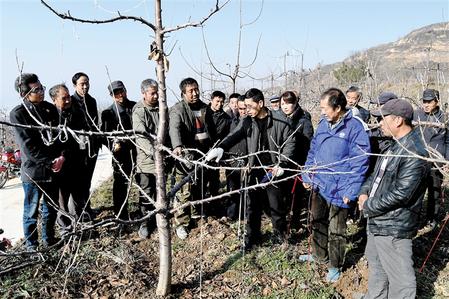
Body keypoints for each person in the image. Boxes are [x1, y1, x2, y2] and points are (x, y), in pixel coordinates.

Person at [206, 88, 295, 251]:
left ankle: (281, 236)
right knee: (252, 206)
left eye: (249, 106)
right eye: (244, 106)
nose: (246, 110)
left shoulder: (279, 120)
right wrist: (221, 148)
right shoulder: (247, 121)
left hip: (273, 169)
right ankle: (253, 239)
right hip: (254, 168)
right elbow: (235, 134)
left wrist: (282, 164)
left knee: (276, 205)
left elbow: (290, 142)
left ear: (260, 103)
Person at [358, 98, 430, 298]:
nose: (379, 123)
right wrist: (364, 192)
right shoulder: (395, 146)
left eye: (383, 119)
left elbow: (402, 194)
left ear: (398, 120)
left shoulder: (414, 152)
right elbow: (376, 175)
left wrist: (369, 205)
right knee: (377, 265)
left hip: (393, 225)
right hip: (379, 220)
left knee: (402, 281)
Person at [300, 88, 371, 282]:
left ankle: (335, 265)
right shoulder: (323, 124)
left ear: (338, 108)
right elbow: (313, 150)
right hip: (320, 183)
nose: (322, 111)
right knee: (316, 221)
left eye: (325, 108)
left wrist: (351, 190)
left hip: (341, 188)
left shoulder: (355, 128)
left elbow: (360, 162)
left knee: (336, 230)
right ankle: (318, 255)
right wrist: (307, 173)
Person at [10, 73, 64, 250]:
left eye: (42, 88)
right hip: (34, 172)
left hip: (54, 170)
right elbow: (28, 148)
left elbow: (60, 135)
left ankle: (49, 240)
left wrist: (61, 156)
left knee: (51, 209)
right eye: (36, 90)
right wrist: (50, 161)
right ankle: (32, 247)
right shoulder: (18, 114)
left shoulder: (50, 109)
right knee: (31, 212)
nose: (41, 92)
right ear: (24, 94)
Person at [169, 77, 216, 239]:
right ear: (183, 93)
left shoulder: (204, 108)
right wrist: (177, 146)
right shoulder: (178, 109)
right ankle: (181, 222)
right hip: (186, 155)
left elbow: (212, 130)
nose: (195, 93)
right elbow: (174, 129)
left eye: (196, 89)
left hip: (204, 153)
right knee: (184, 190)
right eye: (191, 91)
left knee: (200, 185)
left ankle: (196, 212)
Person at [49, 84, 90, 230]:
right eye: (63, 98)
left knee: (79, 196)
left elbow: (84, 133)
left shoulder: (77, 112)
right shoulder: (50, 116)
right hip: (60, 165)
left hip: (77, 161)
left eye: (68, 97)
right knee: (62, 199)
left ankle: (79, 224)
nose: (68, 100)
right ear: (54, 99)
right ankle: (65, 228)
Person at [132, 79, 168, 238]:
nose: (155, 96)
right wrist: (154, 152)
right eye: (152, 93)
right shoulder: (139, 111)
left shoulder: (162, 108)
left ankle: (161, 217)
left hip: (163, 159)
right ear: (144, 94)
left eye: (157, 93)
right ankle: (146, 223)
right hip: (146, 162)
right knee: (147, 194)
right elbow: (140, 136)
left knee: (161, 191)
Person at [101, 81, 136, 221]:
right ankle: (120, 213)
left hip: (138, 151)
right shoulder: (108, 113)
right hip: (120, 154)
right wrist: (113, 144)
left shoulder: (135, 107)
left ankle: (144, 209)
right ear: (111, 95)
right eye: (116, 93)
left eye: (121, 91)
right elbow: (104, 135)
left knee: (144, 181)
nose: (120, 95)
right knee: (121, 184)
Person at [279, 91, 314, 232]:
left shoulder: (304, 121)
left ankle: (294, 222)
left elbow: (309, 144)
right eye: (283, 104)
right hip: (283, 162)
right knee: (283, 193)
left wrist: (304, 165)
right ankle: (285, 220)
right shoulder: (280, 119)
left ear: (295, 104)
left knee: (296, 195)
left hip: (299, 162)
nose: (285, 106)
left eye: (289, 103)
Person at [413, 88, 447, 229]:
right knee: (415, 191)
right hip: (418, 160)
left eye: (429, 102)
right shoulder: (417, 115)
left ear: (437, 102)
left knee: (434, 192)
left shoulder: (444, 118)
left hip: (436, 162)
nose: (426, 104)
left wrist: (446, 160)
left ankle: (431, 218)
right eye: (424, 101)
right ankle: (413, 219)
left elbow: (448, 141)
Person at [71, 72, 100, 218]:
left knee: (87, 180)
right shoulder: (70, 101)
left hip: (91, 147)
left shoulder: (92, 101)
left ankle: (87, 208)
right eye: (82, 83)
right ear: (75, 85)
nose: (85, 86)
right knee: (78, 182)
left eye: (87, 83)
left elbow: (95, 123)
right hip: (77, 149)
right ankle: (78, 213)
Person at [225, 94, 247, 220]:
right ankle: (232, 214)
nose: (242, 111)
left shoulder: (252, 123)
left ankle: (245, 214)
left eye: (245, 108)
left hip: (247, 161)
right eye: (240, 108)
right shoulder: (232, 122)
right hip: (232, 161)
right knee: (233, 189)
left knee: (247, 190)